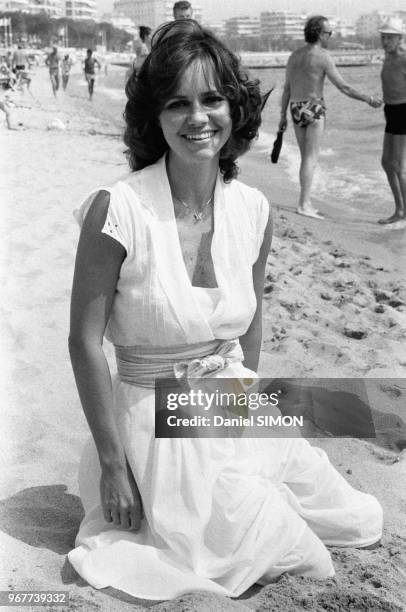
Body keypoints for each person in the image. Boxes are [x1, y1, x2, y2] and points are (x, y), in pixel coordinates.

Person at [68, 20, 382, 600]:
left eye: (212, 99)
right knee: (277, 544)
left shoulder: (254, 208)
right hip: (154, 414)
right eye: (177, 103)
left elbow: (252, 317)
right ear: (154, 117)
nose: (197, 118)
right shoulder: (117, 210)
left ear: (234, 107)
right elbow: (84, 342)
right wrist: (113, 466)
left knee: (354, 520)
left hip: (228, 396)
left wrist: (249, 409)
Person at [279, 15, 382, 220]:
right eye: (328, 33)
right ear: (318, 33)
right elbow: (343, 86)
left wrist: (282, 116)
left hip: (296, 108)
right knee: (311, 158)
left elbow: (287, 89)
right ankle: (304, 204)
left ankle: (305, 201)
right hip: (314, 107)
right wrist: (368, 98)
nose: (330, 36)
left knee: (305, 158)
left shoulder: (294, 56)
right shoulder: (323, 56)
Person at [378, 17, 406, 225]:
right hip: (391, 111)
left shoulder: (404, 58)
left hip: (402, 112)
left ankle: (401, 211)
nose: (385, 41)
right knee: (386, 163)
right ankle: (400, 208)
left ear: (400, 39)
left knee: (395, 165)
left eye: (389, 38)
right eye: (383, 37)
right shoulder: (387, 57)